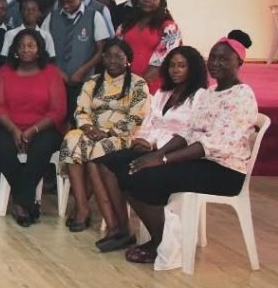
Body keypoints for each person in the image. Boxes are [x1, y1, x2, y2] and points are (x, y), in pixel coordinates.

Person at [108, 31, 259, 264]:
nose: (215, 63)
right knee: (124, 165)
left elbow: (212, 144)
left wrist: (163, 160)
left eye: (223, 59)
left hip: (225, 171)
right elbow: (188, 132)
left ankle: (161, 243)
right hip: (201, 161)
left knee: (145, 176)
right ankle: (161, 238)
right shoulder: (211, 93)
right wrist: (158, 154)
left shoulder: (242, 95)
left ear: (239, 62)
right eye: (213, 57)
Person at [94, 46, 208, 251]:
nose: (175, 70)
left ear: (193, 69)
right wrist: (142, 140)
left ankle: (160, 239)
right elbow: (149, 122)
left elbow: (189, 133)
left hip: (175, 153)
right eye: (172, 65)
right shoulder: (164, 92)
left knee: (131, 172)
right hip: (150, 146)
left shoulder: (200, 97)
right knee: (107, 163)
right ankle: (123, 229)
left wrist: (156, 146)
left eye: (182, 66)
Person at [58, 39, 150, 232]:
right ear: (102, 58)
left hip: (121, 135)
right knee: (71, 140)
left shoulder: (138, 84)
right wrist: (89, 128)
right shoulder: (92, 82)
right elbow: (81, 110)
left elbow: (136, 117)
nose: (113, 60)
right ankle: (82, 208)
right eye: (108, 56)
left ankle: (82, 208)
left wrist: (108, 132)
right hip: (91, 130)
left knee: (98, 149)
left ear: (127, 59)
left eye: (118, 56)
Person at [0, 29, 67, 227]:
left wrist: (33, 131)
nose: (26, 49)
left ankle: (20, 203)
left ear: (39, 49)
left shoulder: (51, 73)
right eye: (21, 46)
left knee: (41, 149)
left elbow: (58, 110)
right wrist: (14, 130)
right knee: (2, 148)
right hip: (9, 127)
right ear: (15, 50)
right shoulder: (5, 71)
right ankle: (28, 202)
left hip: (43, 129)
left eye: (31, 45)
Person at [42, 0, 111, 111]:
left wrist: (81, 71)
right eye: (62, 2)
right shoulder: (52, 17)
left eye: (70, 2)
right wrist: (56, 70)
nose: (66, 6)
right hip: (56, 81)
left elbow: (101, 51)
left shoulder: (94, 16)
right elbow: (42, 49)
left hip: (85, 83)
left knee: (79, 116)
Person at [118, 0, 181, 94]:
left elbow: (160, 64)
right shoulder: (127, 24)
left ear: (161, 1)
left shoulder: (169, 28)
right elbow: (116, 52)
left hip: (152, 89)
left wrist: (135, 88)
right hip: (122, 85)